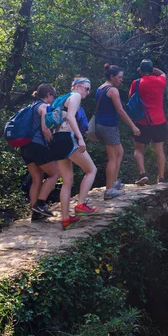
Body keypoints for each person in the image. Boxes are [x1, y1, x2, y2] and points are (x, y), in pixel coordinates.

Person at [49, 77, 98, 230]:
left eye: (89, 89)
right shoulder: (75, 96)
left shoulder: (60, 100)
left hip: (56, 140)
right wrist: (80, 138)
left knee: (67, 180)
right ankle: (81, 204)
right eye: (86, 88)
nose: (87, 92)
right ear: (76, 86)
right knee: (91, 170)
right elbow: (70, 117)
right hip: (67, 137)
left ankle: (65, 219)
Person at [95, 64, 141, 200]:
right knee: (113, 157)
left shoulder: (100, 88)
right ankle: (109, 190)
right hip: (108, 126)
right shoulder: (113, 90)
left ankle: (113, 183)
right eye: (119, 77)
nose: (121, 80)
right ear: (112, 76)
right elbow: (120, 111)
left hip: (101, 125)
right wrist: (133, 126)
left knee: (119, 152)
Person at [20, 83, 60, 222]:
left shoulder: (29, 107)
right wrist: (53, 144)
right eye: (53, 96)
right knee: (55, 174)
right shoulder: (44, 107)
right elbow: (44, 128)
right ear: (48, 95)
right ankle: (41, 203)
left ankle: (35, 213)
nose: (53, 99)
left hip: (25, 147)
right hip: (38, 145)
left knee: (37, 179)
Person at [129, 59, 167, 185]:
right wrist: (153, 69)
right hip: (159, 120)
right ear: (151, 70)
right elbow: (163, 74)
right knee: (159, 151)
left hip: (142, 121)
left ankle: (142, 174)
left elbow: (131, 98)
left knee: (138, 149)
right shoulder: (160, 81)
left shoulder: (137, 83)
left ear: (141, 70)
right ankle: (161, 178)